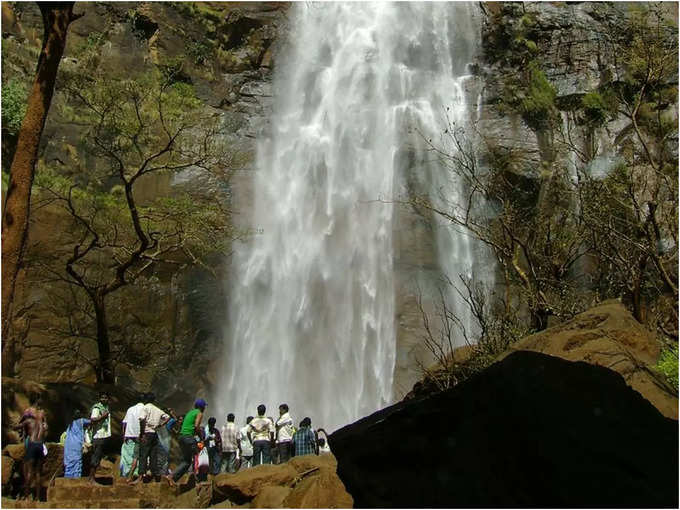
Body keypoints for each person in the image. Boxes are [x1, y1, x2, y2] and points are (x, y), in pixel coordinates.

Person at [165, 398, 206, 487]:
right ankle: (198, 480)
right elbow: (196, 426)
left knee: (186, 461)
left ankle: (171, 477)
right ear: (202, 407)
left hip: (182, 437)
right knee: (198, 456)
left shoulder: (190, 412)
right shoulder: (199, 413)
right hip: (188, 438)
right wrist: (201, 438)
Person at [17, 396, 48, 500]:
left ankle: (26, 496)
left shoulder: (29, 418)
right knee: (38, 472)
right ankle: (38, 498)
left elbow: (18, 425)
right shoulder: (43, 417)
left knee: (29, 471)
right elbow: (46, 428)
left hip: (32, 443)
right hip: (40, 444)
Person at [136, 392, 170, 483]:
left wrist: (142, 433)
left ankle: (140, 476)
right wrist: (159, 425)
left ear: (146, 399)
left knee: (143, 455)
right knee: (153, 455)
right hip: (154, 433)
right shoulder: (157, 409)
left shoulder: (145, 407)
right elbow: (167, 417)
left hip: (146, 433)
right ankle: (155, 476)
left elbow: (142, 419)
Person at [88, 392, 111, 485]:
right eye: (102, 397)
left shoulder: (106, 407)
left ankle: (91, 478)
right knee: (95, 457)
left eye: (105, 398)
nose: (104, 399)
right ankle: (91, 479)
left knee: (98, 457)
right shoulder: (97, 408)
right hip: (98, 436)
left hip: (103, 435)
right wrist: (103, 417)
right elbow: (93, 420)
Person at [121, 398, 145, 481]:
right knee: (138, 455)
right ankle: (135, 474)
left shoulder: (130, 409)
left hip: (129, 435)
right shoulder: (144, 409)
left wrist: (124, 434)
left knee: (127, 455)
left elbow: (124, 422)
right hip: (139, 435)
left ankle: (126, 473)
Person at [63, 410, 90, 478]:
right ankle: (75, 480)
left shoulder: (70, 425)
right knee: (77, 465)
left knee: (69, 465)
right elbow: (93, 421)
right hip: (76, 446)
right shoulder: (81, 421)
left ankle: (67, 481)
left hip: (68, 447)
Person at [157, 410, 178, 476]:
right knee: (164, 457)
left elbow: (175, 419)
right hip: (163, 441)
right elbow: (175, 419)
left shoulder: (167, 422)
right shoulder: (166, 421)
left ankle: (163, 472)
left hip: (164, 441)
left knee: (165, 457)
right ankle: (163, 472)